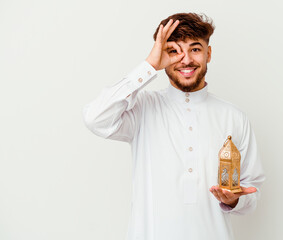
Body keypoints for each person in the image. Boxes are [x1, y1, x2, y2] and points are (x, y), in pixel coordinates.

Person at [82, 13, 265, 240]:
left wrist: (235, 200)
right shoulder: (142, 108)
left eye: (195, 49)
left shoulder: (234, 117)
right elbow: (95, 118)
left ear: (208, 53)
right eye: (174, 51)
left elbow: (252, 193)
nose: (185, 60)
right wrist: (149, 66)